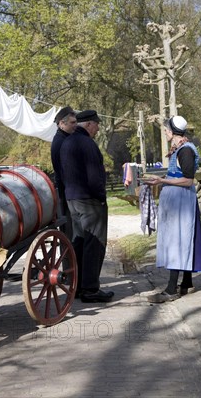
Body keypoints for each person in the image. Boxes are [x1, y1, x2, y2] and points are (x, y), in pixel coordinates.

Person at [143, 115, 201, 303]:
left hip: (181, 202)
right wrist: (160, 179)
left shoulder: (185, 151)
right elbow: (178, 174)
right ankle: (186, 283)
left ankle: (171, 290)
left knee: (177, 240)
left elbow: (188, 180)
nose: (164, 132)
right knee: (182, 238)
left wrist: (161, 180)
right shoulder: (180, 148)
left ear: (171, 131)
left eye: (165, 129)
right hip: (178, 200)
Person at [60, 109, 114, 303]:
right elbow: (94, 176)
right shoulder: (87, 143)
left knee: (80, 242)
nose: (98, 128)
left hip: (72, 200)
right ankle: (90, 288)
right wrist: (100, 197)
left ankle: (78, 286)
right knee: (95, 244)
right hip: (89, 200)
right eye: (97, 125)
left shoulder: (67, 142)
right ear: (89, 124)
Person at [50, 106, 77, 240]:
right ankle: (71, 261)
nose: (75, 126)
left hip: (69, 192)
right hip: (67, 194)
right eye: (72, 123)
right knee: (70, 235)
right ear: (61, 123)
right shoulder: (61, 141)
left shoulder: (65, 138)